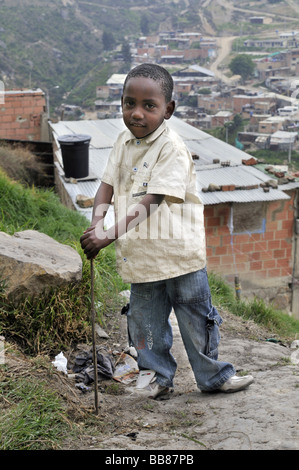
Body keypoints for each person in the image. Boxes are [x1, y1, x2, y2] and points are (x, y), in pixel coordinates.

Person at [80, 63, 254, 399]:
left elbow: (152, 200)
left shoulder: (171, 148)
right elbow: (106, 186)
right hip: (143, 258)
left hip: (179, 254)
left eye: (149, 106)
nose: (137, 114)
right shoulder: (122, 143)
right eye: (129, 103)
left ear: (168, 109)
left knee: (196, 320)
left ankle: (212, 377)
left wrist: (108, 234)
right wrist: (95, 226)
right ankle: (157, 379)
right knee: (144, 323)